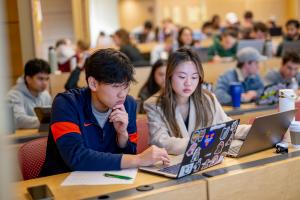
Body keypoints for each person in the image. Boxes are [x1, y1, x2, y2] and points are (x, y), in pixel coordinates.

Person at [40, 49, 169, 177]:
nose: (122, 94)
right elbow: (77, 157)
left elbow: (130, 153)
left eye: (126, 86)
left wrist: (122, 136)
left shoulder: (129, 104)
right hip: (61, 183)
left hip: (106, 181)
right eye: (115, 86)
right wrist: (139, 160)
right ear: (93, 83)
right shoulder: (66, 103)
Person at [144, 48, 250, 155]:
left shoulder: (208, 98)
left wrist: (250, 131)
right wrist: (204, 143)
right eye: (182, 77)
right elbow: (161, 142)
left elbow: (227, 126)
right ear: (169, 76)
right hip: (174, 164)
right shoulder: (154, 104)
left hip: (204, 161)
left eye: (194, 77)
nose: (188, 83)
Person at [7, 59, 52, 129]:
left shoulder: (45, 95)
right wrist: (46, 121)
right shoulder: (14, 95)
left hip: (40, 136)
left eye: (47, 79)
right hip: (21, 138)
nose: (45, 83)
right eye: (40, 79)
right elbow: (19, 120)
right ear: (28, 79)